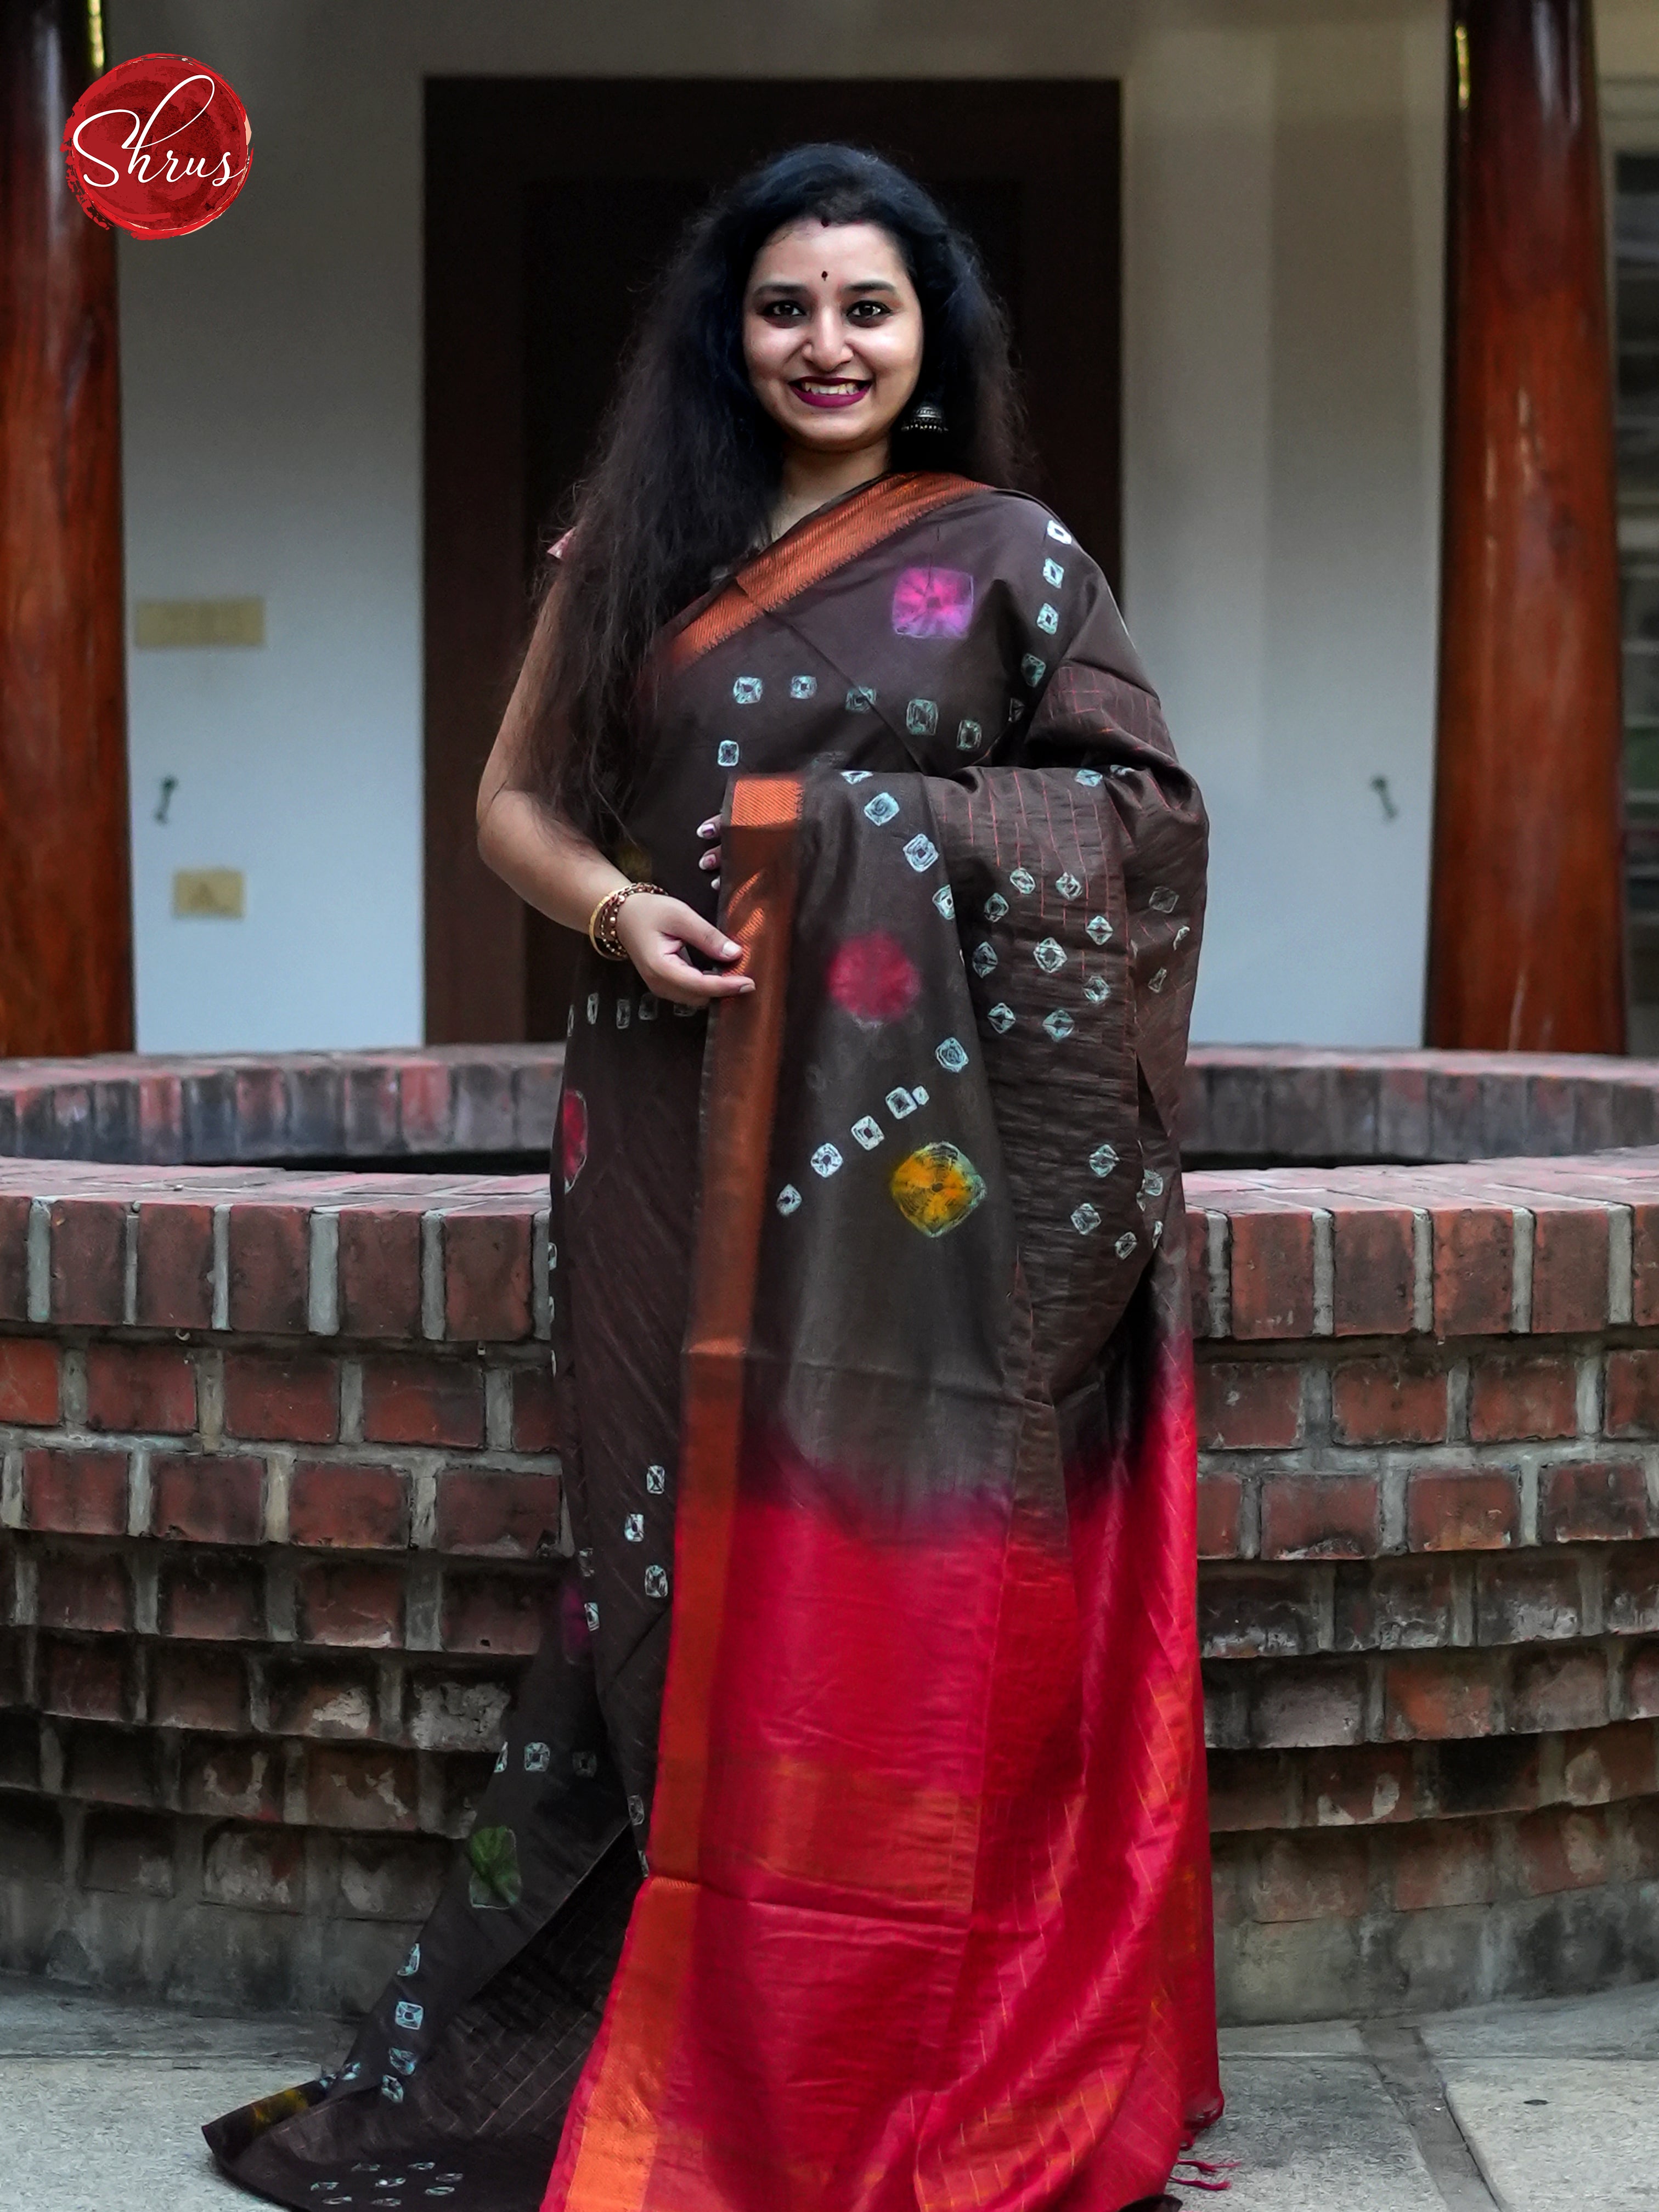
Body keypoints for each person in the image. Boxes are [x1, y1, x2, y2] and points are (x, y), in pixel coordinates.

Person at [208, 141, 1221, 2212]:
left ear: (931, 333)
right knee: (653, 1565)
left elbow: (1139, 821)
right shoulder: (641, 548)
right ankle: (655, 2026)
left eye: (868, 304)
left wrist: (889, 842)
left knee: (898, 1550)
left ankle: (879, 2036)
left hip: (921, 1178)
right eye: (785, 304)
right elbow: (511, 801)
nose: (824, 343)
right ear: (726, 330)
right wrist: (614, 918)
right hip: (665, 1109)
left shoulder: (1012, 558)